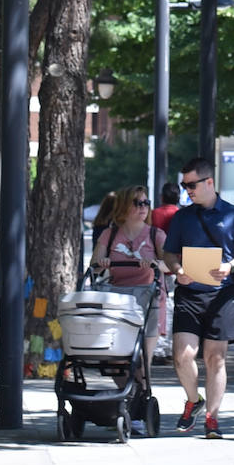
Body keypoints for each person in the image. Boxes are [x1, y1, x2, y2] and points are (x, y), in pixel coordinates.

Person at [163, 156, 234, 440]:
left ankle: (212, 418)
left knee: (215, 358)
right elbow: (168, 253)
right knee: (183, 356)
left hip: (222, 294)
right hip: (189, 293)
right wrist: (178, 270)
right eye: (184, 185)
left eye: (192, 184)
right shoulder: (182, 217)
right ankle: (194, 399)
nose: (187, 190)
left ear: (209, 182)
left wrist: (231, 266)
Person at [91, 184, 167, 431]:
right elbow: (94, 265)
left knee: (141, 361)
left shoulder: (155, 235)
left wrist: (154, 263)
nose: (143, 207)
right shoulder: (109, 235)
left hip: (148, 300)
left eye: (145, 203)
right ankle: (125, 403)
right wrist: (101, 263)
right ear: (125, 206)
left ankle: (138, 409)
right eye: (137, 203)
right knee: (119, 359)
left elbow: (170, 265)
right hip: (118, 301)